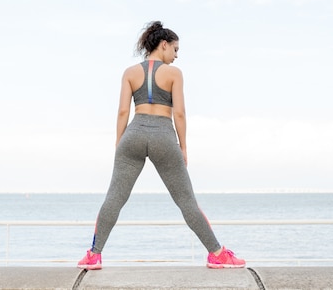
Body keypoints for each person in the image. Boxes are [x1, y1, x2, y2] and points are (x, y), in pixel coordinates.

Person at [77, 21, 245, 270]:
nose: (176, 56)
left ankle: (93, 255)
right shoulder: (174, 74)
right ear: (163, 45)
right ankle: (217, 254)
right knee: (186, 201)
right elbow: (180, 114)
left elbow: (123, 110)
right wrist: (183, 146)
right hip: (164, 137)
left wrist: (119, 141)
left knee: (114, 199)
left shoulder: (130, 73)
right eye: (175, 49)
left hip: (132, 135)